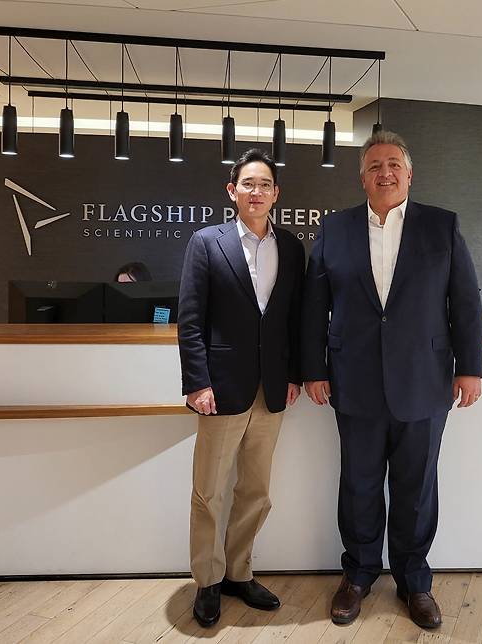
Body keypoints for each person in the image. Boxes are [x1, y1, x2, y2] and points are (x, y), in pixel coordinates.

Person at [301, 130, 482, 630]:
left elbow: (465, 303)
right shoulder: (334, 229)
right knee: (358, 484)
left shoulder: (440, 227)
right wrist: (313, 369)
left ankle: (414, 581)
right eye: (375, 165)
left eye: (393, 164)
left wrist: (470, 367)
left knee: (416, 486)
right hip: (353, 380)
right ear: (362, 177)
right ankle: (358, 575)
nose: (385, 172)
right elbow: (315, 306)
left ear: (408, 174)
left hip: (425, 381)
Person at [178, 148, 304, 628]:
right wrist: (197, 382)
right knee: (208, 491)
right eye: (247, 184)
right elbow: (190, 320)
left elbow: (293, 319)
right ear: (232, 191)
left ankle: (238, 571)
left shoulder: (291, 247)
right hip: (221, 388)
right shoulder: (206, 242)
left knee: (256, 490)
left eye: (265, 184)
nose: (257, 191)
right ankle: (207, 581)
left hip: (271, 389)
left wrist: (294, 373)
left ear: (276, 194)